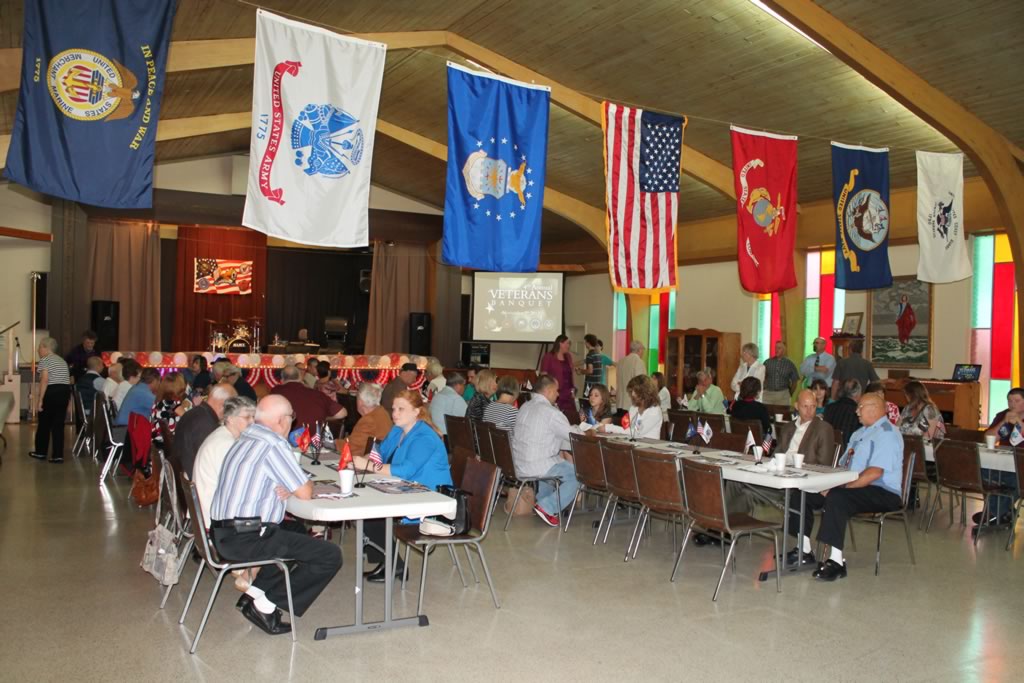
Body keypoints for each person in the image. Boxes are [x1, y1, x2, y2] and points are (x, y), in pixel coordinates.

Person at [210, 395, 342, 635]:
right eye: (292, 417)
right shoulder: (272, 443)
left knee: (295, 531)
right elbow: (305, 492)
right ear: (282, 420)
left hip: (222, 532)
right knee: (329, 555)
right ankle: (264, 606)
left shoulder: (246, 437)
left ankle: (254, 594)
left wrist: (289, 485)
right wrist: (300, 484)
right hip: (245, 537)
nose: (293, 421)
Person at [786, 393, 904, 580]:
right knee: (802, 493)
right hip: (853, 485)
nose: (856, 411)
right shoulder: (859, 433)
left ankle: (836, 561)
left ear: (874, 409)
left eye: (860, 407)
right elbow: (843, 466)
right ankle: (804, 549)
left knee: (837, 498)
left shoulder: (887, 433)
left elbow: (874, 473)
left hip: (882, 490)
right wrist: (827, 483)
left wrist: (841, 488)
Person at [352, 390, 452, 582]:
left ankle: (393, 566)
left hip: (431, 498)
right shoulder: (398, 430)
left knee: (370, 514)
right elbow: (378, 455)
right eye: (393, 409)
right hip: (407, 490)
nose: (395, 414)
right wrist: (357, 461)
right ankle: (389, 562)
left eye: (401, 409)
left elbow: (405, 470)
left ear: (416, 411)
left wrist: (366, 465)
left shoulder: (425, 437)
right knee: (365, 509)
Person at [511, 374, 579, 527]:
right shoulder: (551, 412)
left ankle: (542, 502)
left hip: (518, 464)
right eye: (556, 391)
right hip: (537, 465)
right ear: (548, 391)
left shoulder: (524, 406)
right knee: (577, 475)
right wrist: (585, 432)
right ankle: (548, 507)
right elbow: (572, 435)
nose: (558, 394)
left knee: (553, 464)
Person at [193, 396, 257, 527]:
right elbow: (237, 485)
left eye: (253, 417)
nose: (252, 422)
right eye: (247, 417)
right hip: (214, 517)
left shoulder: (223, 435)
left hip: (209, 507)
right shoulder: (226, 444)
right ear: (230, 419)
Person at [979, 387, 1024, 526]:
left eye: (1017, 401)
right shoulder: (1003, 415)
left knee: (1015, 479)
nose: (1012, 404)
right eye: (1010, 401)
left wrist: (1020, 423)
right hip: (1003, 461)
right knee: (984, 471)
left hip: (1021, 464)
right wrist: (1003, 422)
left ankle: (994, 513)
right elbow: (988, 438)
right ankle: (1003, 513)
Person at [174, 383, 237, 475]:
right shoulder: (207, 425)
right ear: (223, 405)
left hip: (181, 473)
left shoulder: (194, 413)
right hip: (192, 478)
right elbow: (214, 465)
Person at [29, 337, 72, 463]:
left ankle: (41, 452)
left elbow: (44, 380)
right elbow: (67, 380)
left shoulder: (45, 360)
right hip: (64, 392)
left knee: (44, 423)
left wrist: (40, 399)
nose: (38, 350)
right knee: (58, 425)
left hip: (51, 392)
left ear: (46, 348)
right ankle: (58, 455)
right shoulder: (62, 361)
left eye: (39, 347)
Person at [270, 365, 346, 431]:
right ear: (300, 378)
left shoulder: (275, 392)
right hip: (313, 441)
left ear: (282, 380)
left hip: (283, 439)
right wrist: (323, 417)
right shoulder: (317, 394)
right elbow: (342, 413)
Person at [775, 390, 836, 466]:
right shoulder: (787, 428)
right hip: (781, 467)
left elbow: (824, 465)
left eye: (813, 406)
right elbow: (776, 455)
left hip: (804, 470)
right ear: (797, 406)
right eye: (805, 406)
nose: (809, 411)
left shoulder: (824, 429)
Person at [599, 375, 664, 440]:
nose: (632, 394)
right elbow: (627, 428)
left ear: (645, 391)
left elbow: (636, 432)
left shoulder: (654, 411)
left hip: (649, 444)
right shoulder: (633, 408)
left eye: (635, 391)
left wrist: (610, 428)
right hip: (633, 443)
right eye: (631, 391)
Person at [347, 382, 394, 458]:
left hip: (363, 461)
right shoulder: (382, 412)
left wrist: (333, 443)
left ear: (360, 401)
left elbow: (351, 447)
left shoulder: (368, 420)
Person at [151, 372, 188, 453]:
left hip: (158, 446)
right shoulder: (172, 404)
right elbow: (189, 419)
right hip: (171, 448)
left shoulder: (159, 402)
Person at [540, 334, 576, 414]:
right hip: (555, 392)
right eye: (567, 343)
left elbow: (571, 374)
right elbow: (543, 377)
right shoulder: (548, 357)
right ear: (560, 343)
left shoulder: (568, 356)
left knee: (570, 415)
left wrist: (573, 390)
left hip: (568, 393)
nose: (568, 346)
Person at [824, 379, 863, 449]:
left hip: (827, 448)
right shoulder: (858, 412)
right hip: (847, 451)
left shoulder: (829, 408)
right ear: (857, 394)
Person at [762, 341, 799, 406]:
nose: (776, 350)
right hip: (768, 394)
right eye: (776, 348)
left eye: (779, 348)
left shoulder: (789, 364)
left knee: (783, 412)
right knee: (766, 411)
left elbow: (795, 381)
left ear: (784, 350)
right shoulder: (767, 362)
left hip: (783, 395)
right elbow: (762, 377)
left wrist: (790, 394)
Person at [616, 341, 647, 411]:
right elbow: (641, 382)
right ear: (639, 350)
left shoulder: (621, 361)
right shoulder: (638, 361)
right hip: (632, 403)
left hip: (619, 401)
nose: (643, 352)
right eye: (642, 350)